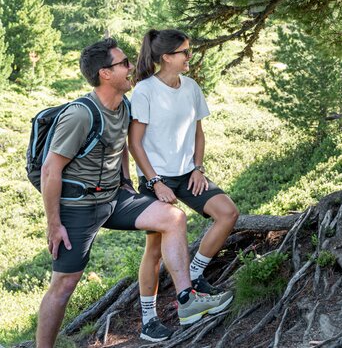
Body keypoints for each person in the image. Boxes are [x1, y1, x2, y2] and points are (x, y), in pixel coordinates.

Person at [36, 39, 232, 348]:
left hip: (113, 198)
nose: (131, 68)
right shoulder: (80, 115)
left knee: (173, 217)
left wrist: (127, 181)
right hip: (79, 205)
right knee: (64, 285)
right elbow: (50, 170)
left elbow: (124, 145)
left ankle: (187, 298)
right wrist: (54, 223)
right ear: (105, 73)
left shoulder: (124, 106)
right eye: (123, 63)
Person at [129, 29, 239, 341]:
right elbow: (134, 143)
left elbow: (198, 131)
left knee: (227, 213)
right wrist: (155, 182)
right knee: (153, 250)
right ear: (166, 57)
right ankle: (149, 320)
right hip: (155, 178)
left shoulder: (190, 87)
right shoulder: (145, 90)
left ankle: (193, 276)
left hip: (188, 175)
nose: (189, 57)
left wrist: (198, 167)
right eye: (184, 53)